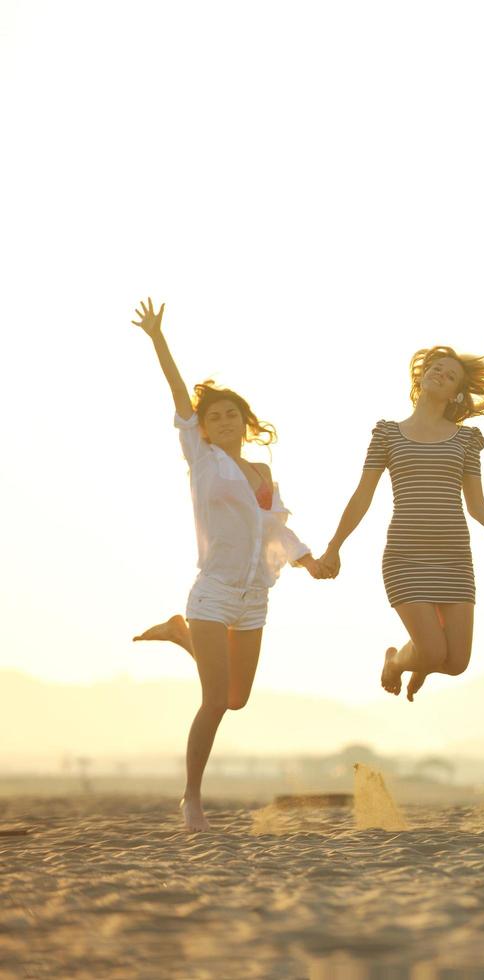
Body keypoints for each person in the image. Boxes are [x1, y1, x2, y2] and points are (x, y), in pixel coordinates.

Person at [129, 298, 323, 831]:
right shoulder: (202, 458)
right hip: (212, 592)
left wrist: (309, 560)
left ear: (244, 421)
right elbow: (179, 397)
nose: (221, 420)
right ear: (206, 430)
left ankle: (178, 633)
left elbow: (274, 529)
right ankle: (192, 796)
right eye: (213, 417)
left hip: (254, 597)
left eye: (230, 413)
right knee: (214, 700)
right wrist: (159, 341)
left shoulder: (262, 471)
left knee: (236, 699)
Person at [317, 346, 484, 701]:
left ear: (456, 393)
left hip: (454, 559)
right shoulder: (387, 434)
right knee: (432, 651)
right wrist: (334, 546)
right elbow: (362, 495)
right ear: (421, 377)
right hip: (406, 558)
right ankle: (397, 662)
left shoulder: (466, 440)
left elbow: (476, 505)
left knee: (457, 662)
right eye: (436, 368)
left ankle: (421, 664)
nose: (440, 375)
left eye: (450, 376)